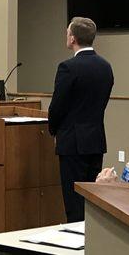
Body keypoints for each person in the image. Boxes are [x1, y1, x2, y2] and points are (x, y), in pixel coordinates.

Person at [48, 17, 114, 222]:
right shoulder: (105, 66)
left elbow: (57, 106)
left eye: (68, 32)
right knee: (92, 201)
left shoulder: (68, 67)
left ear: (73, 38)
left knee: (74, 202)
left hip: (72, 142)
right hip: (96, 140)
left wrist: (54, 130)